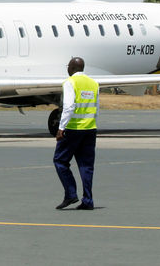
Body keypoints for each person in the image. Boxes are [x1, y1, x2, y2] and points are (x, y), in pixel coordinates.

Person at [54, 57, 99, 210]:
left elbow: (69, 106)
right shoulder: (94, 83)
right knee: (86, 166)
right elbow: (97, 108)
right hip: (90, 129)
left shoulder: (70, 82)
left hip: (73, 129)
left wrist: (61, 128)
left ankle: (71, 193)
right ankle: (88, 200)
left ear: (72, 67)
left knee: (60, 161)